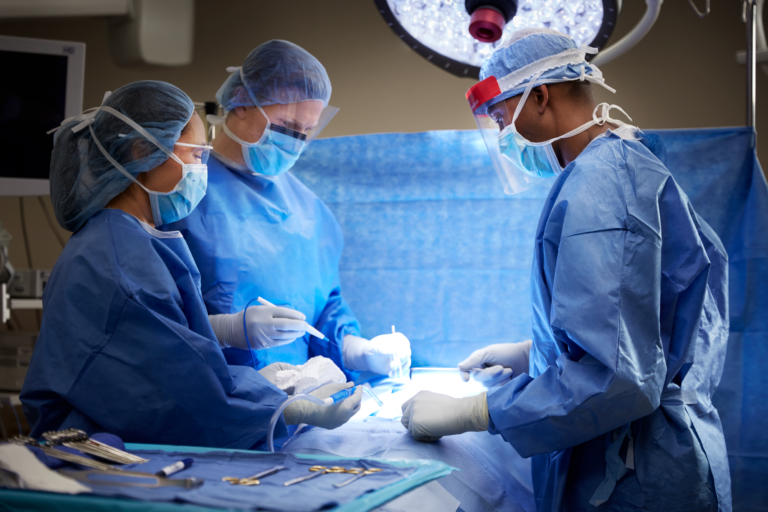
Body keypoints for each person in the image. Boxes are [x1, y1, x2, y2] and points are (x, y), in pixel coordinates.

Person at [401, 29, 731, 511]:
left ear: (539, 96)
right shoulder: (625, 164)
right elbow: (644, 325)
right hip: (656, 458)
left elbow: (618, 377)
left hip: (637, 474)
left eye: (499, 117)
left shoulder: (602, 185)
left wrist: (475, 411)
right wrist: (536, 353)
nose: (500, 136)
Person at [20, 81, 361, 448]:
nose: (203, 169)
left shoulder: (137, 239)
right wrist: (283, 409)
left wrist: (257, 384)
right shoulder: (117, 259)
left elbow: (174, 362)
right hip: (98, 453)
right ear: (142, 151)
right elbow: (176, 400)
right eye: (197, 155)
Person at [163, 40, 411, 379]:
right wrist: (222, 330)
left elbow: (325, 313)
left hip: (295, 409)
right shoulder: (180, 190)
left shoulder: (311, 211)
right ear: (242, 103)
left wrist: (360, 351)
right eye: (285, 126)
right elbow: (144, 311)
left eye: (305, 131)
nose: (294, 140)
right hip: (205, 397)